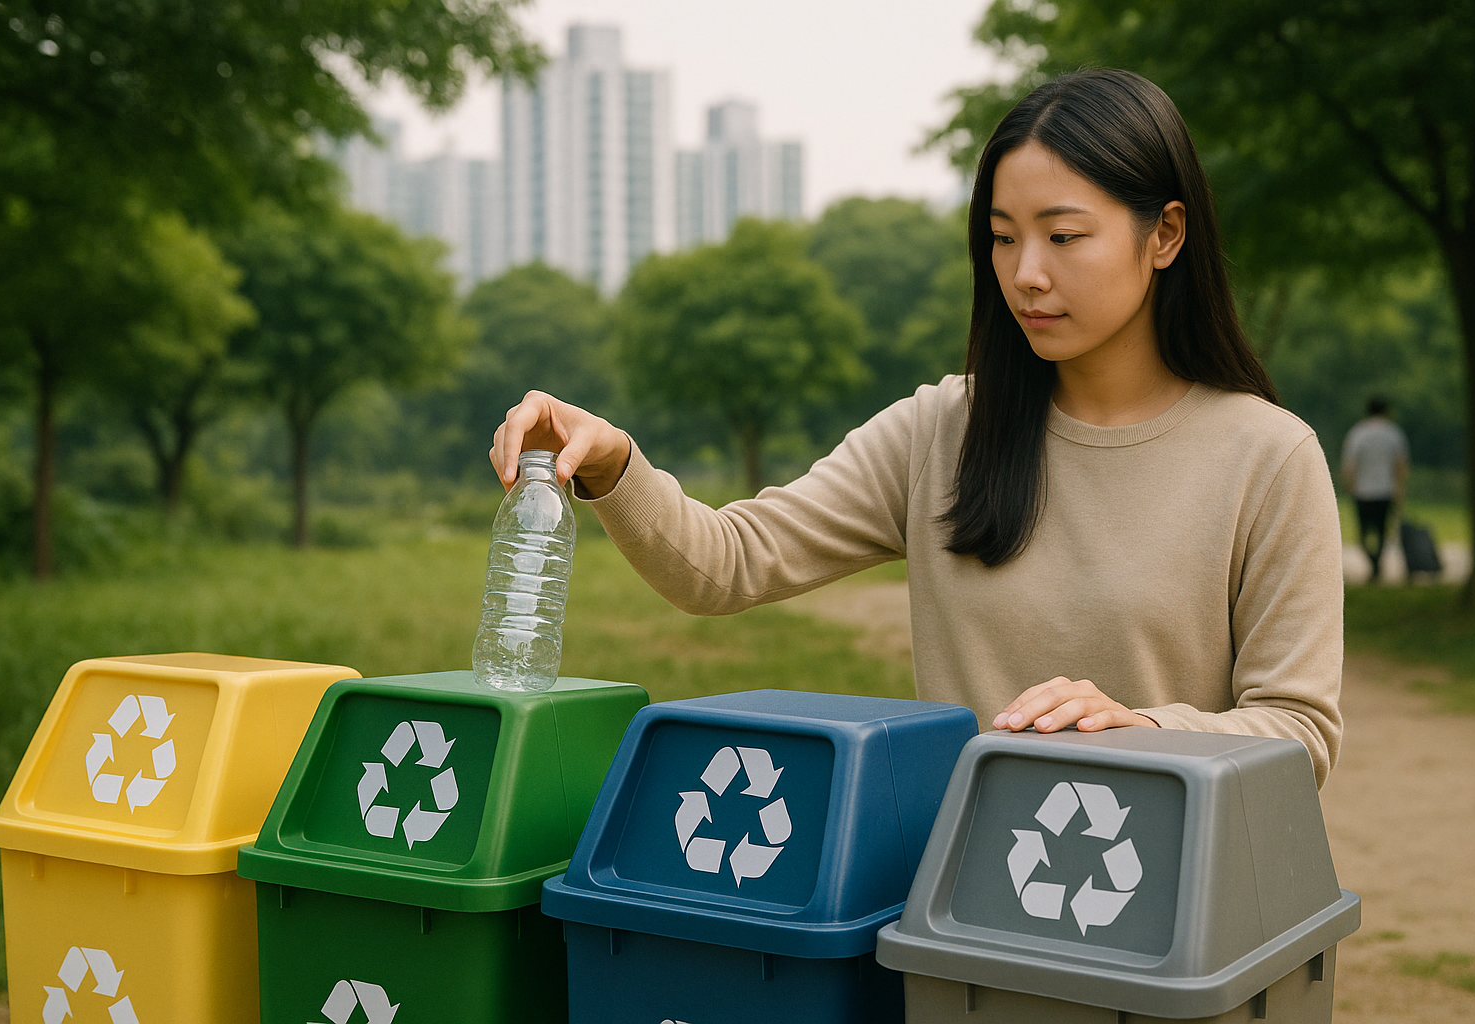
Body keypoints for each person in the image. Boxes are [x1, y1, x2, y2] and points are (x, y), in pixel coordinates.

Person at [490, 69, 1344, 787]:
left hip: (1171, 918)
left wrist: (1144, 729)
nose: (1027, 275)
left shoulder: (1267, 457)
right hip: (960, 911)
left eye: (1064, 235)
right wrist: (612, 461)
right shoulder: (944, 429)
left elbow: (1299, 729)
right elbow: (726, 563)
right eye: (1004, 239)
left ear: (1164, 233)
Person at [1341, 396, 1410, 582]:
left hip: (1363, 491)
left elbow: (1349, 464)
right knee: (1381, 531)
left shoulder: (1358, 433)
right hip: (1385, 490)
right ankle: (1377, 564)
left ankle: (1373, 564)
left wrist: (1350, 485)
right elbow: (1401, 463)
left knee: (1363, 533)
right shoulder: (1393, 433)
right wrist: (1399, 488)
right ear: (1386, 411)